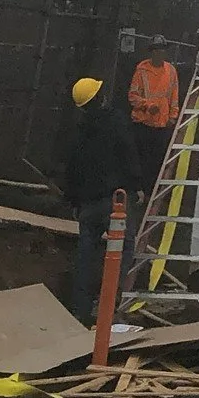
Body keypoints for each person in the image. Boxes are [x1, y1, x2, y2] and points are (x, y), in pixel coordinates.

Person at [62, 78, 140, 323]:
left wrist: (74, 202)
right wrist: (137, 185)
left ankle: (81, 309)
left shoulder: (78, 131)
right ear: (99, 98)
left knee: (86, 255)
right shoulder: (115, 122)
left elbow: (71, 169)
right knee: (123, 248)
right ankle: (106, 303)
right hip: (114, 202)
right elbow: (128, 152)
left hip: (87, 205)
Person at [127, 40, 182, 190]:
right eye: (157, 50)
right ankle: (142, 191)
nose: (160, 53)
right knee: (142, 160)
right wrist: (147, 105)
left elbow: (174, 95)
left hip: (162, 124)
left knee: (158, 162)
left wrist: (173, 116)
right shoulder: (142, 71)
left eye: (162, 50)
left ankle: (153, 191)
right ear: (152, 52)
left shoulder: (171, 71)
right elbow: (133, 96)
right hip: (143, 123)